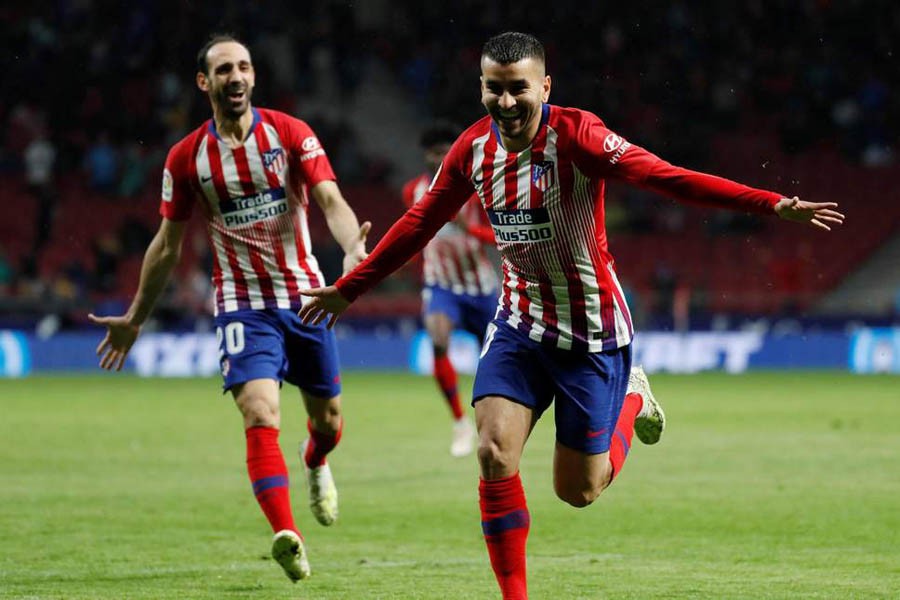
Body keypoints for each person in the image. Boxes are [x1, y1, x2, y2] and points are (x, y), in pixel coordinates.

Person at [299, 31, 845, 599]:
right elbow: (420, 223)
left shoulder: (580, 136)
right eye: (493, 89)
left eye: (518, 89)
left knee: (578, 490)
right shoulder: (472, 148)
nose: (505, 103)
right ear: (480, 88)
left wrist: (769, 203)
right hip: (519, 325)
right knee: (492, 452)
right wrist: (349, 289)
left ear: (545, 86)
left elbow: (665, 177)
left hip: (591, 334)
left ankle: (634, 400)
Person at [88, 34, 371, 583]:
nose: (235, 76)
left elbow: (331, 200)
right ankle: (287, 534)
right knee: (260, 413)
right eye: (223, 70)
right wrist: (135, 318)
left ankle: (315, 459)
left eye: (243, 66)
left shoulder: (289, 133)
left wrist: (352, 249)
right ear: (205, 82)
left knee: (329, 422)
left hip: (306, 300)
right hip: (243, 307)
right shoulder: (187, 158)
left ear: (254, 76)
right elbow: (166, 246)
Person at [402, 121, 499, 457]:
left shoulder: (477, 189)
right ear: (426, 156)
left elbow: (499, 237)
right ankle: (460, 422)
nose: (440, 157)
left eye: (446, 151)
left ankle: (494, 420)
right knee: (438, 341)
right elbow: (415, 235)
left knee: (496, 358)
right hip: (441, 285)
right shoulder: (413, 191)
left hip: (480, 288)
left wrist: (468, 228)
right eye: (434, 152)